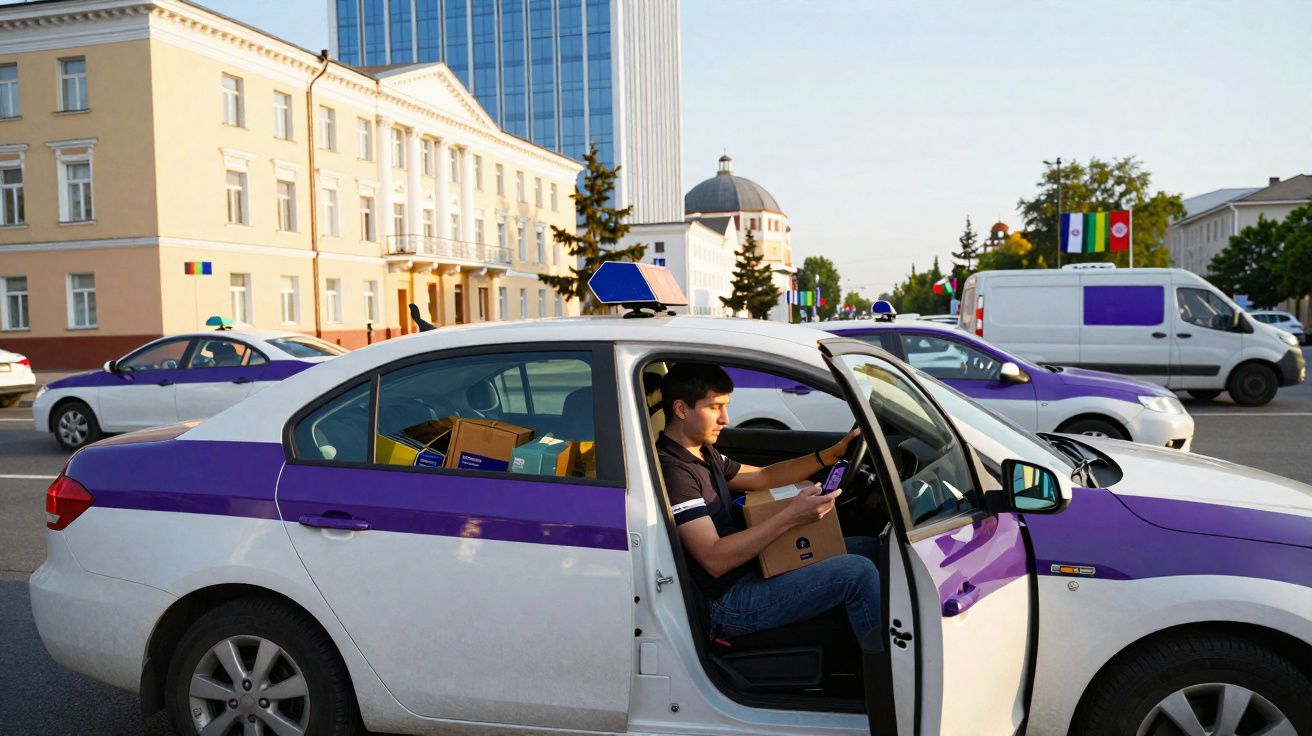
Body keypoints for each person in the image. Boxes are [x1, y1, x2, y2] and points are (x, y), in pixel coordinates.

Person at [656, 363, 883, 652]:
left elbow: (763, 477)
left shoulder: (702, 452)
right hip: (726, 602)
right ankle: (885, 669)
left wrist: (831, 454)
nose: (725, 418)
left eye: (726, 406)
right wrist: (792, 516)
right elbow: (714, 558)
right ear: (681, 409)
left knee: (869, 548)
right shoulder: (675, 473)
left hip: (749, 567)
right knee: (858, 573)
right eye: (714, 408)